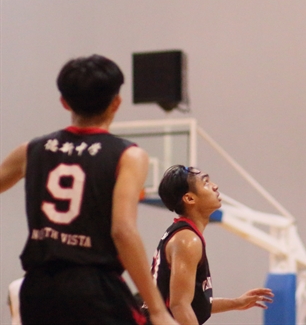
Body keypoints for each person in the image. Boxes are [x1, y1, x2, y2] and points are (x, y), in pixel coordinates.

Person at [0, 55, 176, 325]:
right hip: (93, 286)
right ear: (116, 102)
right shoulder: (128, 155)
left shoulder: (30, 150)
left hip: (37, 289)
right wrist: (157, 310)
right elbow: (123, 231)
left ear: (64, 102)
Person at [151, 165, 273, 325]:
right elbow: (179, 305)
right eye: (206, 182)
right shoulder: (187, 240)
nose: (215, 186)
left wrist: (237, 302)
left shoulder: (183, 234)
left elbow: (195, 303)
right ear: (189, 199)